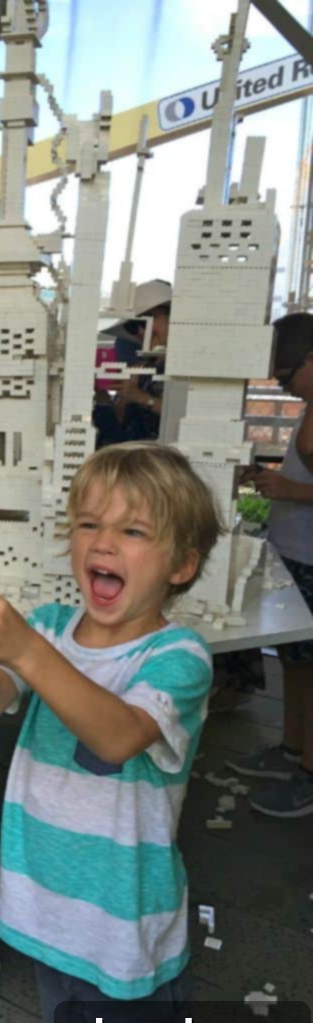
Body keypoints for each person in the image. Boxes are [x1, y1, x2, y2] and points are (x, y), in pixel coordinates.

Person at [0, 442, 223, 1023]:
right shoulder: (54, 625)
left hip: (124, 927)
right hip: (50, 914)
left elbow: (117, 735)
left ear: (182, 566)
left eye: (133, 530)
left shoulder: (178, 657)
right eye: (88, 524)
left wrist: (25, 649)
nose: (103, 543)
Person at [227, 312, 313, 818]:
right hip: (297, 550)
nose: (283, 386)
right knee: (297, 661)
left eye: (285, 376)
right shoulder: (309, 405)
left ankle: (308, 776)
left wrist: (291, 491)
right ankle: (294, 748)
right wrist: (270, 477)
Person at [94, 280, 172, 446]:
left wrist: (141, 397)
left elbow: (184, 416)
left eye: (145, 323)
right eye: (133, 327)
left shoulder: (190, 365)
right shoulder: (144, 364)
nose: (141, 332)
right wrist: (106, 396)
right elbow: (121, 423)